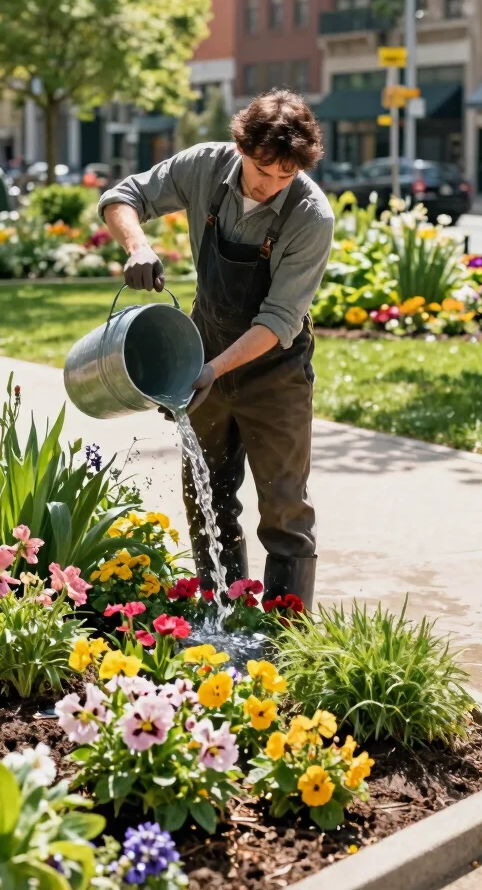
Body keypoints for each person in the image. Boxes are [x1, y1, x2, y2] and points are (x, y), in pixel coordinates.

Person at [100, 90, 333, 608]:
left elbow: (278, 320)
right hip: (201, 349)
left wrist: (212, 370)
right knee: (207, 494)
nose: (271, 186)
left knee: (285, 508)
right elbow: (122, 196)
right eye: (261, 171)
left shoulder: (311, 216)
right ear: (240, 147)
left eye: (285, 176)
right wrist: (138, 246)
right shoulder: (205, 167)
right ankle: (222, 616)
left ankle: (286, 634)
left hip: (275, 371)